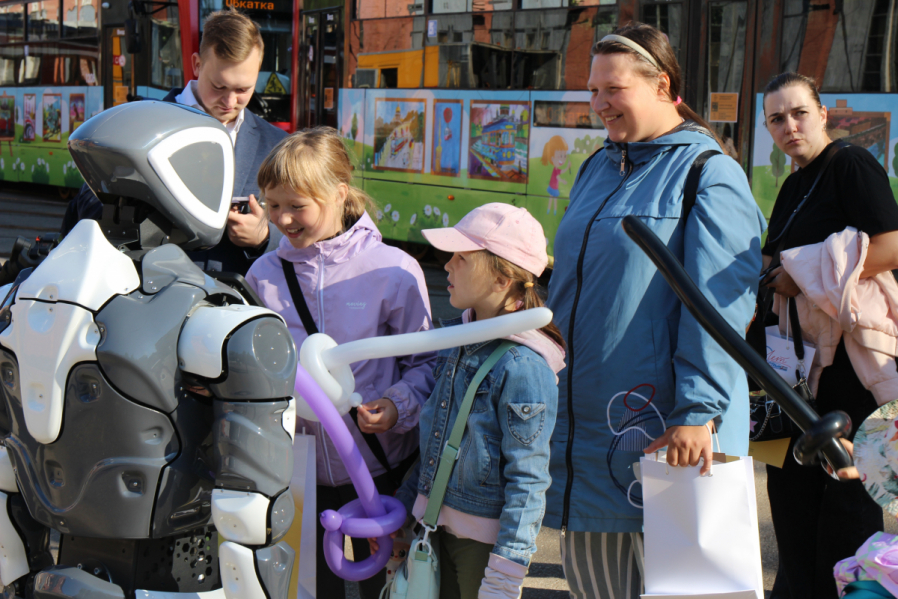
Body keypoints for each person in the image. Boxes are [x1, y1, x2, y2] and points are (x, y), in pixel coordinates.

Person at [544, 22, 765, 598]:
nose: (598, 104)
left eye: (612, 89)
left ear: (662, 84)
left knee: (681, 590)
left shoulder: (708, 173)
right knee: (596, 585)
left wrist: (697, 410)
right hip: (588, 425)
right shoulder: (598, 166)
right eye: (593, 90)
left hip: (671, 431)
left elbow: (720, 304)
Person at [244, 127, 436, 599]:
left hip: (380, 469)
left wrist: (395, 406)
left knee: (383, 588)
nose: (283, 219)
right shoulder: (262, 276)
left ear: (339, 194)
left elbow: (429, 365)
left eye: (297, 205)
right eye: (272, 205)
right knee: (309, 589)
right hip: (298, 474)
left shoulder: (391, 271)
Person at [760, 72, 898, 599]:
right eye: (777, 118)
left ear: (822, 114)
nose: (789, 126)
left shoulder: (851, 165)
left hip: (852, 375)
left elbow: (890, 247)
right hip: (797, 368)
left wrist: (807, 272)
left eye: (798, 113)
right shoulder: (794, 183)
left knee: (846, 507)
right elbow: (772, 261)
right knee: (793, 502)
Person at [386, 202, 564, 599]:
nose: (446, 266)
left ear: (502, 278)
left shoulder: (523, 365)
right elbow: (436, 441)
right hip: (433, 527)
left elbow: (529, 477)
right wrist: (404, 509)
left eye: (461, 258)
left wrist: (506, 571)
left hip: (480, 546)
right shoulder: (457, 342)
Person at [60, 8, 286, 276]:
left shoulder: (277, 145)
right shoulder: (137, 123)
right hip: (146, 296)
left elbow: (304, 234)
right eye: (219, 86)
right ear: (197, 65)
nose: (229, 102)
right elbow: (87, 206)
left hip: (232, 305)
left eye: (243, 90)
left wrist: (264, 238)